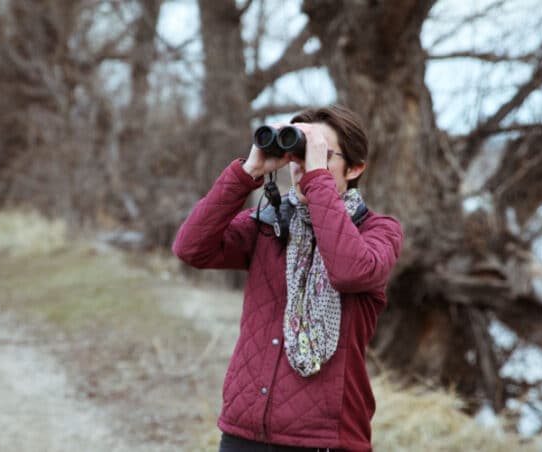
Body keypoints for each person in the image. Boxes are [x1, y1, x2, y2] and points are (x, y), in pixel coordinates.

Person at [172, 105, 403, 452]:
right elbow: (191, 248)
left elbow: (349, 270)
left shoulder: (378, 231)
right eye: (301, 155)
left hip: (325, 439)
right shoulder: (269, 222)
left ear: (355, 168)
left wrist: (317, 179)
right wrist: (248, 172)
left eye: (321, 155)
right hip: (244, 431)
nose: (304, 167)